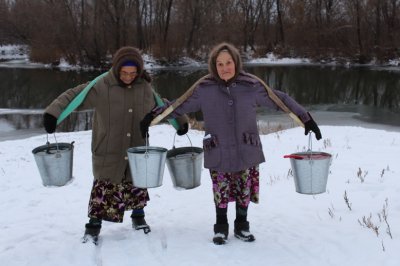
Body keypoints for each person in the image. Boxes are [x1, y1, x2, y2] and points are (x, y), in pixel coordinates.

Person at [140, 42, 322, 245]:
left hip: (246, 148)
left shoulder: (251, 86)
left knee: (244, 188)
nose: (224, 68)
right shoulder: (204, 88)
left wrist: (306, 118)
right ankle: (221, 228)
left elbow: (280, 99)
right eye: (219, 64)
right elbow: (177, 105)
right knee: (221, 190)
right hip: (218, 149)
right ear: (213, 66)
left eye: (228, 63)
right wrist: (152, 117)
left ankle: (242, 226)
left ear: (236, 63)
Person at [43, 46, 188, 244]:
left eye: (133, 73)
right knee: (103, 189)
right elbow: (75, 96)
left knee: (137, 184)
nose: (128, 77)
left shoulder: (144, 87)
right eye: (124, 73)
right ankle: (93, 226)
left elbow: (161, 106)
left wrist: (180, 121)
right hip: (108, 149)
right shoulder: (102, 85)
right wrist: (53, 114)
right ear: (117, 69)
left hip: (136, 149)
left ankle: (138, 218)